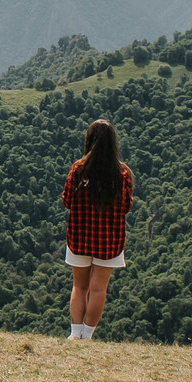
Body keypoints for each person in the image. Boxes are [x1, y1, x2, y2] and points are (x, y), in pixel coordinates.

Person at [62, 119, 134, 340]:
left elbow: (67, 200)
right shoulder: (122, 174)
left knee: (80, 286)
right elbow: (126, 206)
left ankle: (75, 334)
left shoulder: (79, 169)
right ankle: (88, 334)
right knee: (99, 289)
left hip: (80, 236)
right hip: (109, 239)